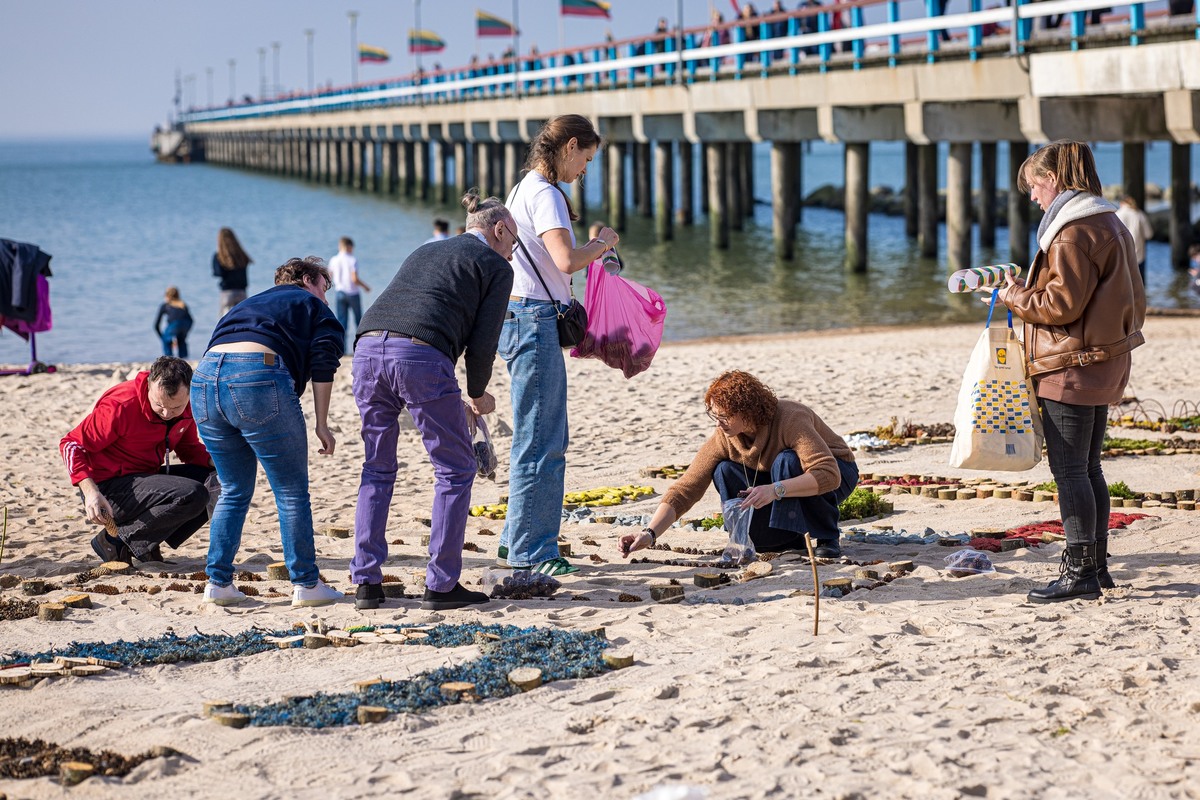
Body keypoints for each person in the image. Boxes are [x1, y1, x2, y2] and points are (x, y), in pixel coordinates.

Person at [350, 190, 517, 611]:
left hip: (367, 349)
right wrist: (477, 395)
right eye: (513, 240)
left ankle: (366, 582)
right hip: (420, 354)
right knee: (456, 467)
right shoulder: (495, 265)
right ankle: (441, 585)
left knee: (377, 466)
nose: (513, 251)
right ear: (498, 229)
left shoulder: (429, 249)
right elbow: (483, 344)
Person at [996, 140, 1146, 603]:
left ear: (1054, 180)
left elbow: (1060, 305)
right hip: (1101, 359)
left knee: (1070, 472)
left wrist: (1013, 297)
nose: (1033, 197)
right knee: (1089, 468)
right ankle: (1096, 568)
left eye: (1034, 186)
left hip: (1072, 366)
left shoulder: (1071, 231)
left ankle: (1080, 570)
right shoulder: (1108, 221)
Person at [499, 114, 619, 576]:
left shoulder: (523, 187)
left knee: (533, 436)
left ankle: (515, 540)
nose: (584, 171)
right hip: (533, 320)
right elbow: (566, 260)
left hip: (517, 315)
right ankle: (536, 551)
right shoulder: (546, 194)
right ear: (570, 147)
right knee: (544, 441)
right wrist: (602, 243)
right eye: (585, 160)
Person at [190, 257, 346, 607]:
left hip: (203, 380)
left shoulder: (250, 303)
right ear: (308, 280)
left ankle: (217, 582)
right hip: (255, 375)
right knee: (291, 490)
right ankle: (306, 585)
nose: (326, 295)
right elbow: (324, 362)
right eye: (324, 286)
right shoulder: (311, 304)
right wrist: (321, 422)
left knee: (232, 488)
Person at [617, 371, 858, 560]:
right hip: (780, 479)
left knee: (787, 461)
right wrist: (649, 533)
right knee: (724, 470)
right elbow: (686, 488)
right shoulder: (726, 436)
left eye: (724, 416)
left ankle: (827, 537)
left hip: (836, 473)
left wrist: (775, 490)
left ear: (748, 412)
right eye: (714, 415)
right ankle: (787, 540)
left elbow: (827, 473)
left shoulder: (791, 417)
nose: (719, 423)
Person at [60, 356, 214, 565]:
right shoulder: (121, 404)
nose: (167, 414)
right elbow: (70, 444)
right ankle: (114, 542)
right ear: (149, 385)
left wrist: (220, 462)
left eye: (176, 407)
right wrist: (91, 492)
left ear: (189, 393)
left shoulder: (187, 406)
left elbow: (188, 449)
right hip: (108, 489)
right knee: (193, 494)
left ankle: (147, 544)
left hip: (146, 477)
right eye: (159, 405)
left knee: (217, 480)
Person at [328, 236, 372, 352]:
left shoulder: (333, 260)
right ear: (349, 246)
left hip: (339, 292)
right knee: (359, 322)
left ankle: (342, 350)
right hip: (352, 293)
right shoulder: (352, 259)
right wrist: (365, 287)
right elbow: (354, 279)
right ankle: (360, 349)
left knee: (342, 323)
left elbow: (329, 277)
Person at [212, 227, 252, 316]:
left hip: (227, 292)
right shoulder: (241, 254)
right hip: (241, 291)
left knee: (225, 321)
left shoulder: (219, 256)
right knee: (242, 319)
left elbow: (218, 273)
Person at [1115, 195, 1154, 284]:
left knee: (1124, 286)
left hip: (1122, 256)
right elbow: (1149, 234)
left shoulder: (1116, 215)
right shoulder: (1139, 215)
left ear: (1121, 203)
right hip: (1138, 256)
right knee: (1139, 286)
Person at [154, 286, 193, 358]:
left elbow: (156, 325)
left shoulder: (165, 305)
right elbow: (191, 320)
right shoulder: (183, 305)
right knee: (181, 340)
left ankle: (168, 358)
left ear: (167, 296)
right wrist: (185, 334)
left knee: (166, 341)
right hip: (186, 324)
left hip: (174, 325)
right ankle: (184, 359)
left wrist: (163, 338)